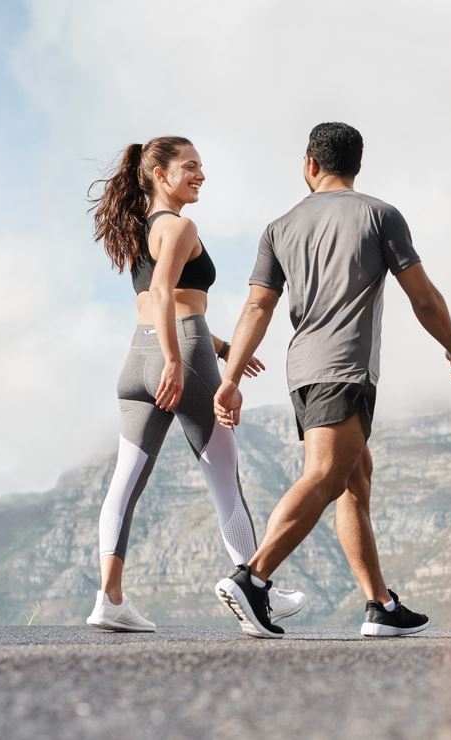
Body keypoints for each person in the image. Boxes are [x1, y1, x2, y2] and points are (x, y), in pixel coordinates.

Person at [212, 122, 451, 638]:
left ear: (310, 164)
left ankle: (379, 605)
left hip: (302, 370)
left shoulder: (279, 227)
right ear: (357, 165)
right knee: (328, 475)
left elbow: (258, 305)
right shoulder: (380, 215)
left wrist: (233, 375)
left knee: (355, 479)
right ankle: (254, 578)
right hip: (345, 367)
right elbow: (423, 296)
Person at [84, 136, 305, 632]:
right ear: (161, 175)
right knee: (224, 477)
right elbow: (166, 293)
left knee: (125, 481)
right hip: (177, 353)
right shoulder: (181, 227)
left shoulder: (142, 228)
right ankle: (256, 592)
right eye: (190, 166)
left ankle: (110, 599)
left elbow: (165, 298)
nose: (200, 174)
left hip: (136, 357)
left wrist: (222, 347)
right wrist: (175, 360)